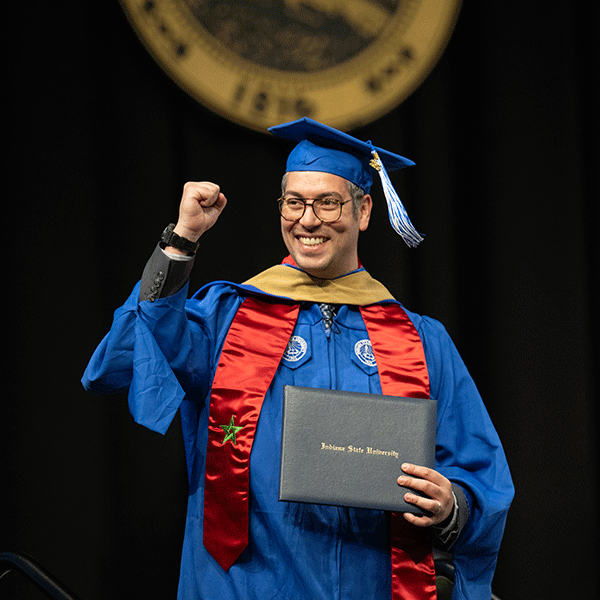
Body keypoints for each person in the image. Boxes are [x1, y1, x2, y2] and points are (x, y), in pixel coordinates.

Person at [82, 118, 514, 600]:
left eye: (327, 202)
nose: (308, 220)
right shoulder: (226, 319)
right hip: (245, 584)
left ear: (364, 209)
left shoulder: (421, 339)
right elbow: (134, 348)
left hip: (375, 585)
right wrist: (181, 240)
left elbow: (477, 469)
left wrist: (451, 504)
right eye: (294, 202)